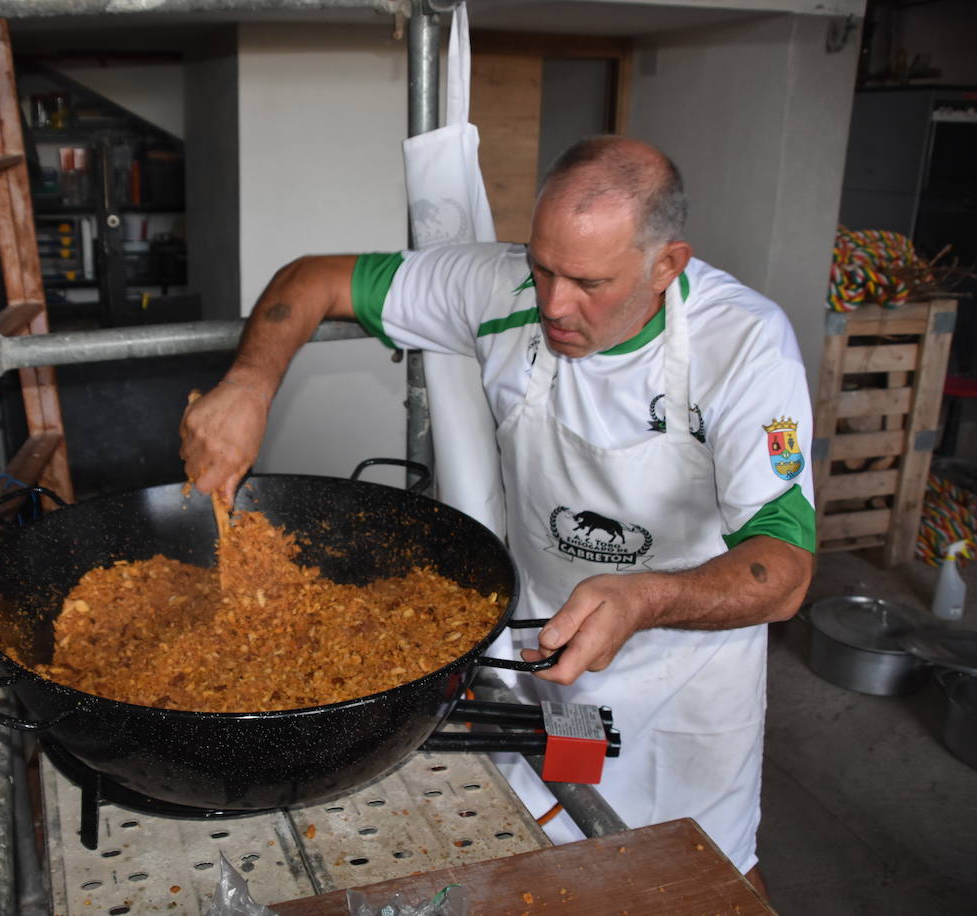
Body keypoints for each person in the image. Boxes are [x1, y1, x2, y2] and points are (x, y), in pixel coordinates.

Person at [180, 136, 815, 896]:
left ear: (667, 265)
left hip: (686, 690)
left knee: (699, 887)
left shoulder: (743, 344)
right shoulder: (496, 288)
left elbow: (782, 571)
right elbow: (311, 279)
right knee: (554, 878)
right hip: (544, 666)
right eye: (542, 268)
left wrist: (645, 596)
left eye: (588, 281)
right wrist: (250, 383)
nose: (553, 304)